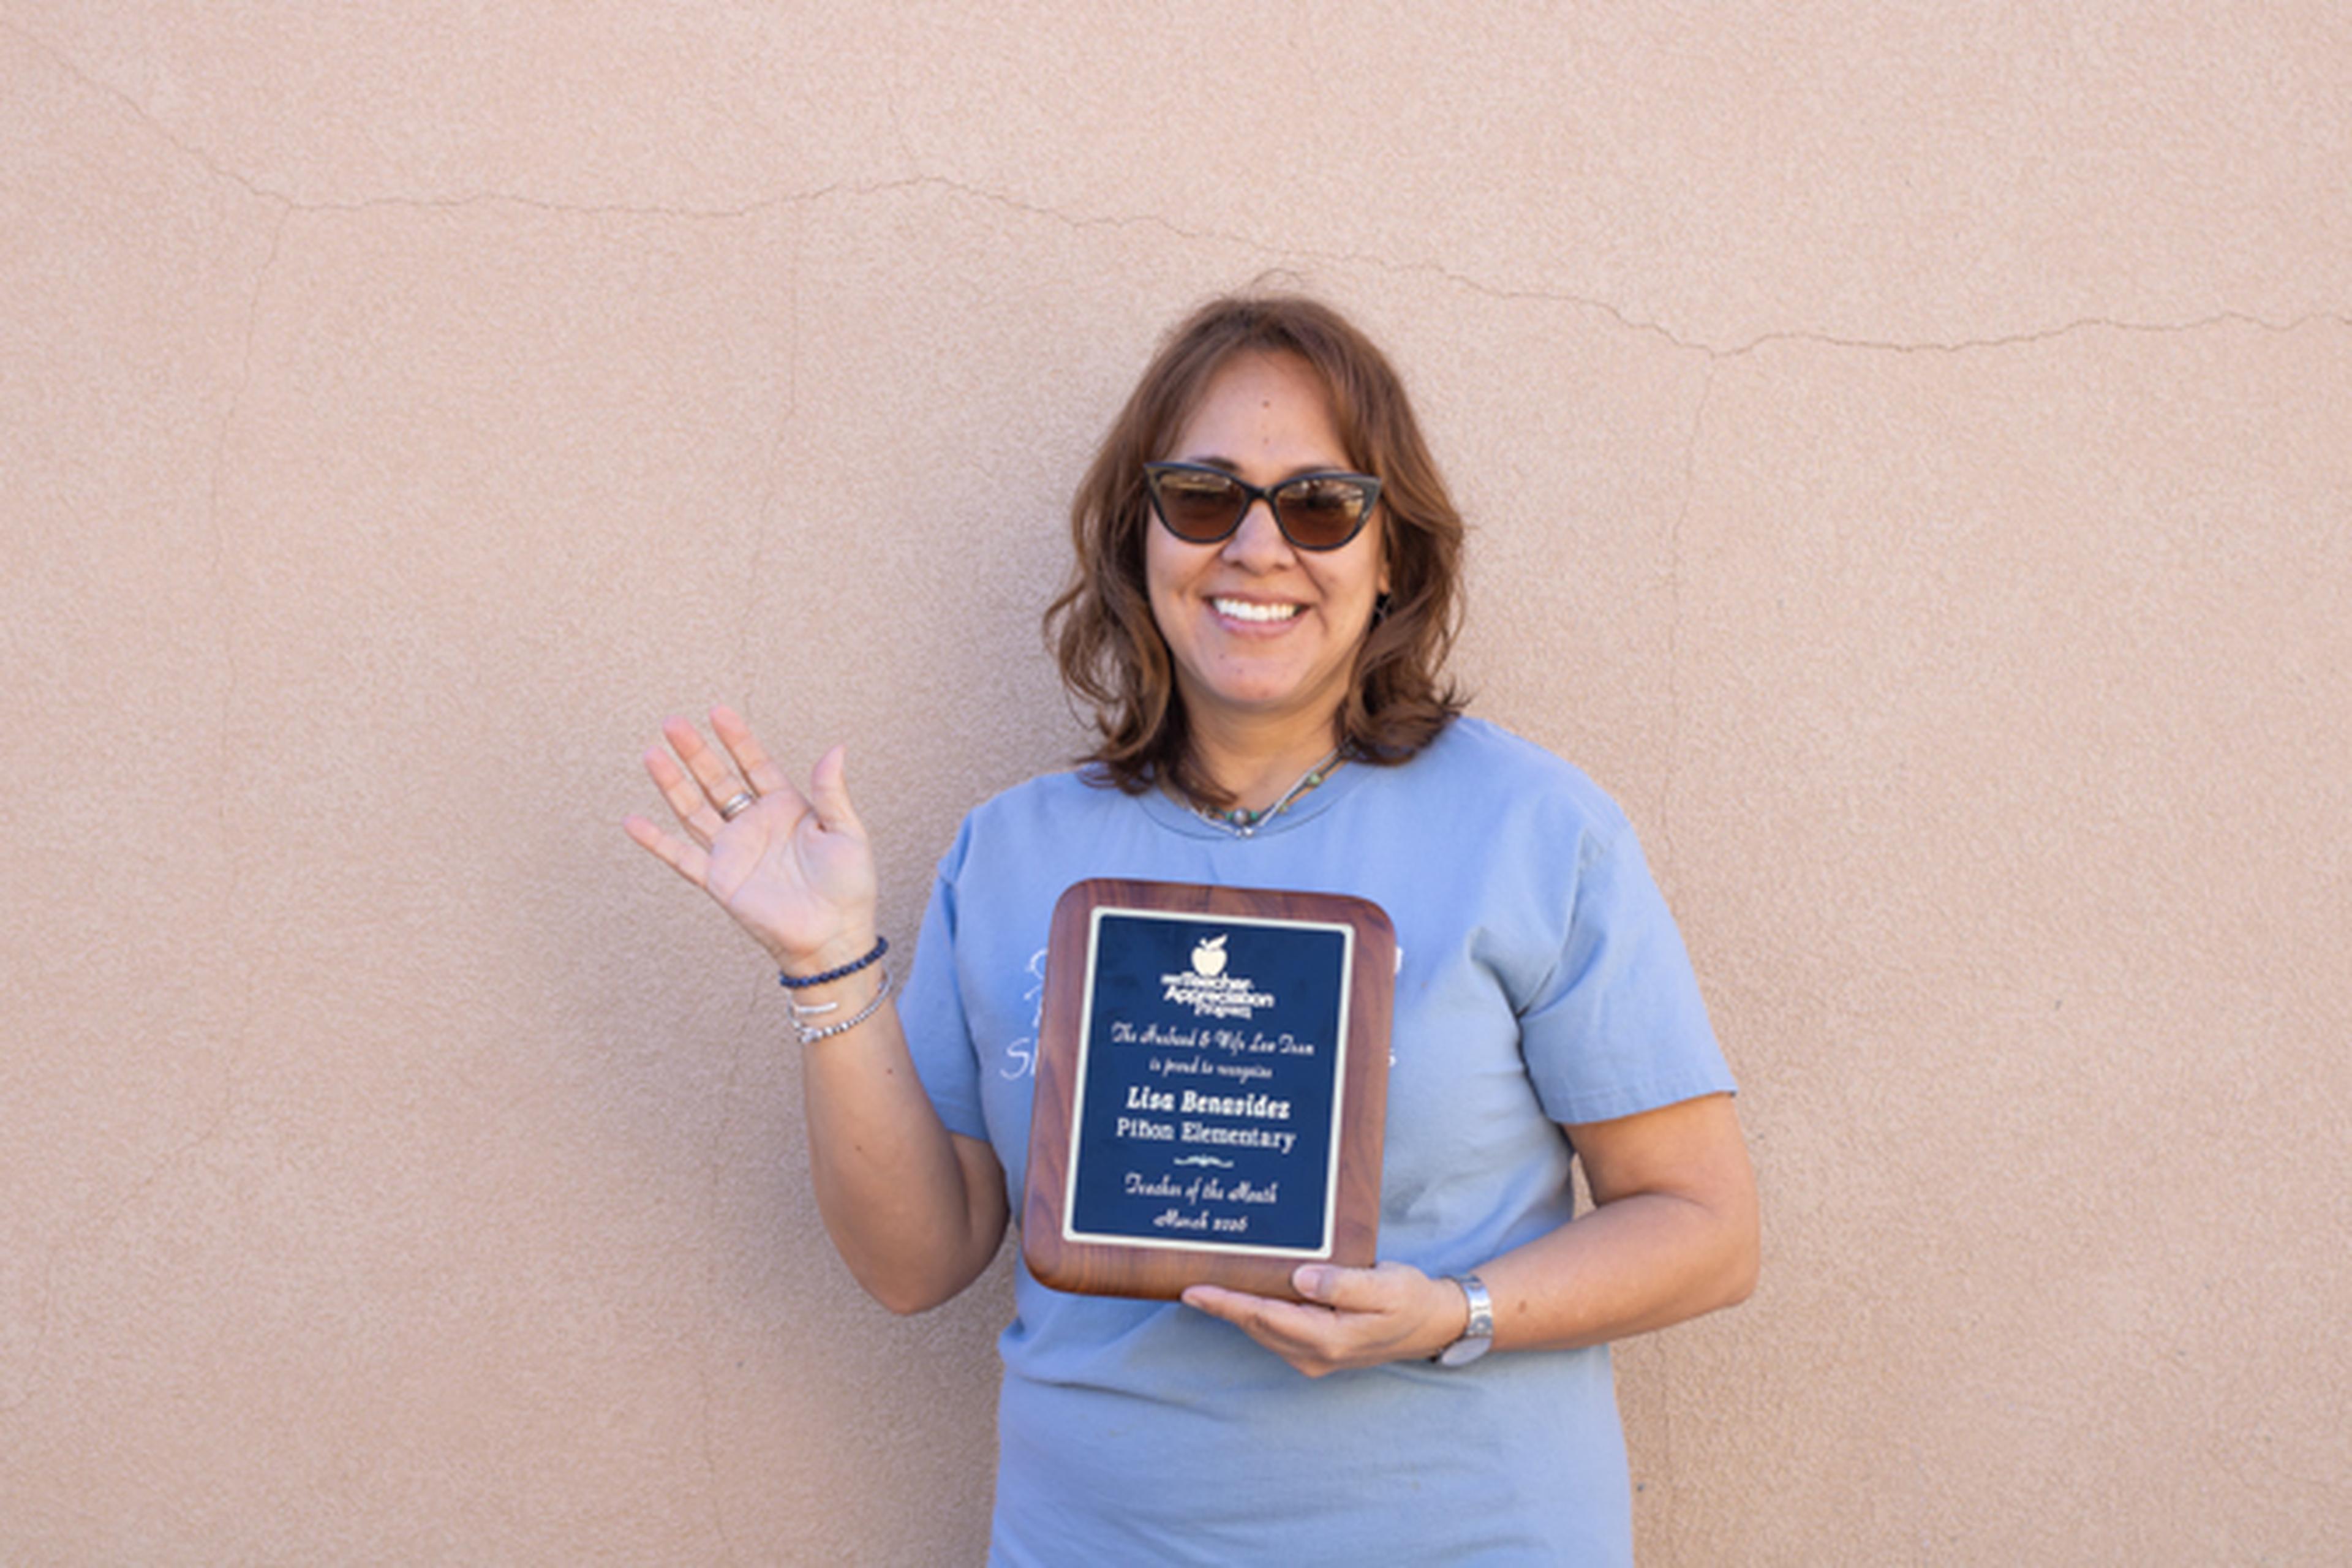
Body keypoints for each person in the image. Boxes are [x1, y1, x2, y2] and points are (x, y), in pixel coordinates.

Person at [626, 293, 1758, 1564]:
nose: (1258, 548)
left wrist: (1453, 1311)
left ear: (1392, 552)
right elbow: (916, 1261)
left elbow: (1706, 1226)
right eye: (1205, 497)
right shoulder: (1013, 851)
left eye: (1321, 504)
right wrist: (824, 961)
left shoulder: (1535, 829)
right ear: (1142, 536)